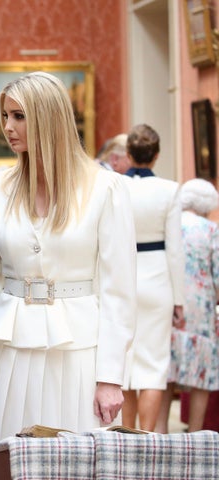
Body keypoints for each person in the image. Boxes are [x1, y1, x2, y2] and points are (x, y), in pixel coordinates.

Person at [0, 72, 136, 458]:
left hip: (80, 351)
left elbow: (119, 289)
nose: (7, 127)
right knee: (10, 457)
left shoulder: (105, 189)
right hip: (9, 349)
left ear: (49, 117)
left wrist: (111, 377)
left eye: (19, 116)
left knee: (76, 458)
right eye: (6, 115)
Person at [121, 123, 184, 432]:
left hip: (123, 276)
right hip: (158, 278)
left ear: (128, 154)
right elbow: (176, 249)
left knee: (124, 364)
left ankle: (125, 437)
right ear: (156, 155)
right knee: (153, 365)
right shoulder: (170, 190)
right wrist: (180, 300)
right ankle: (146, 438)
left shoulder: (114, 186)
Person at [156, 178, 219, 433]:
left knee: (165, 372)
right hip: (200, 309)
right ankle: (195, 433)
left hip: (168, 306)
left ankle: (159, 431)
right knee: (200, 374)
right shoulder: (211, 230)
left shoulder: (168, 226)